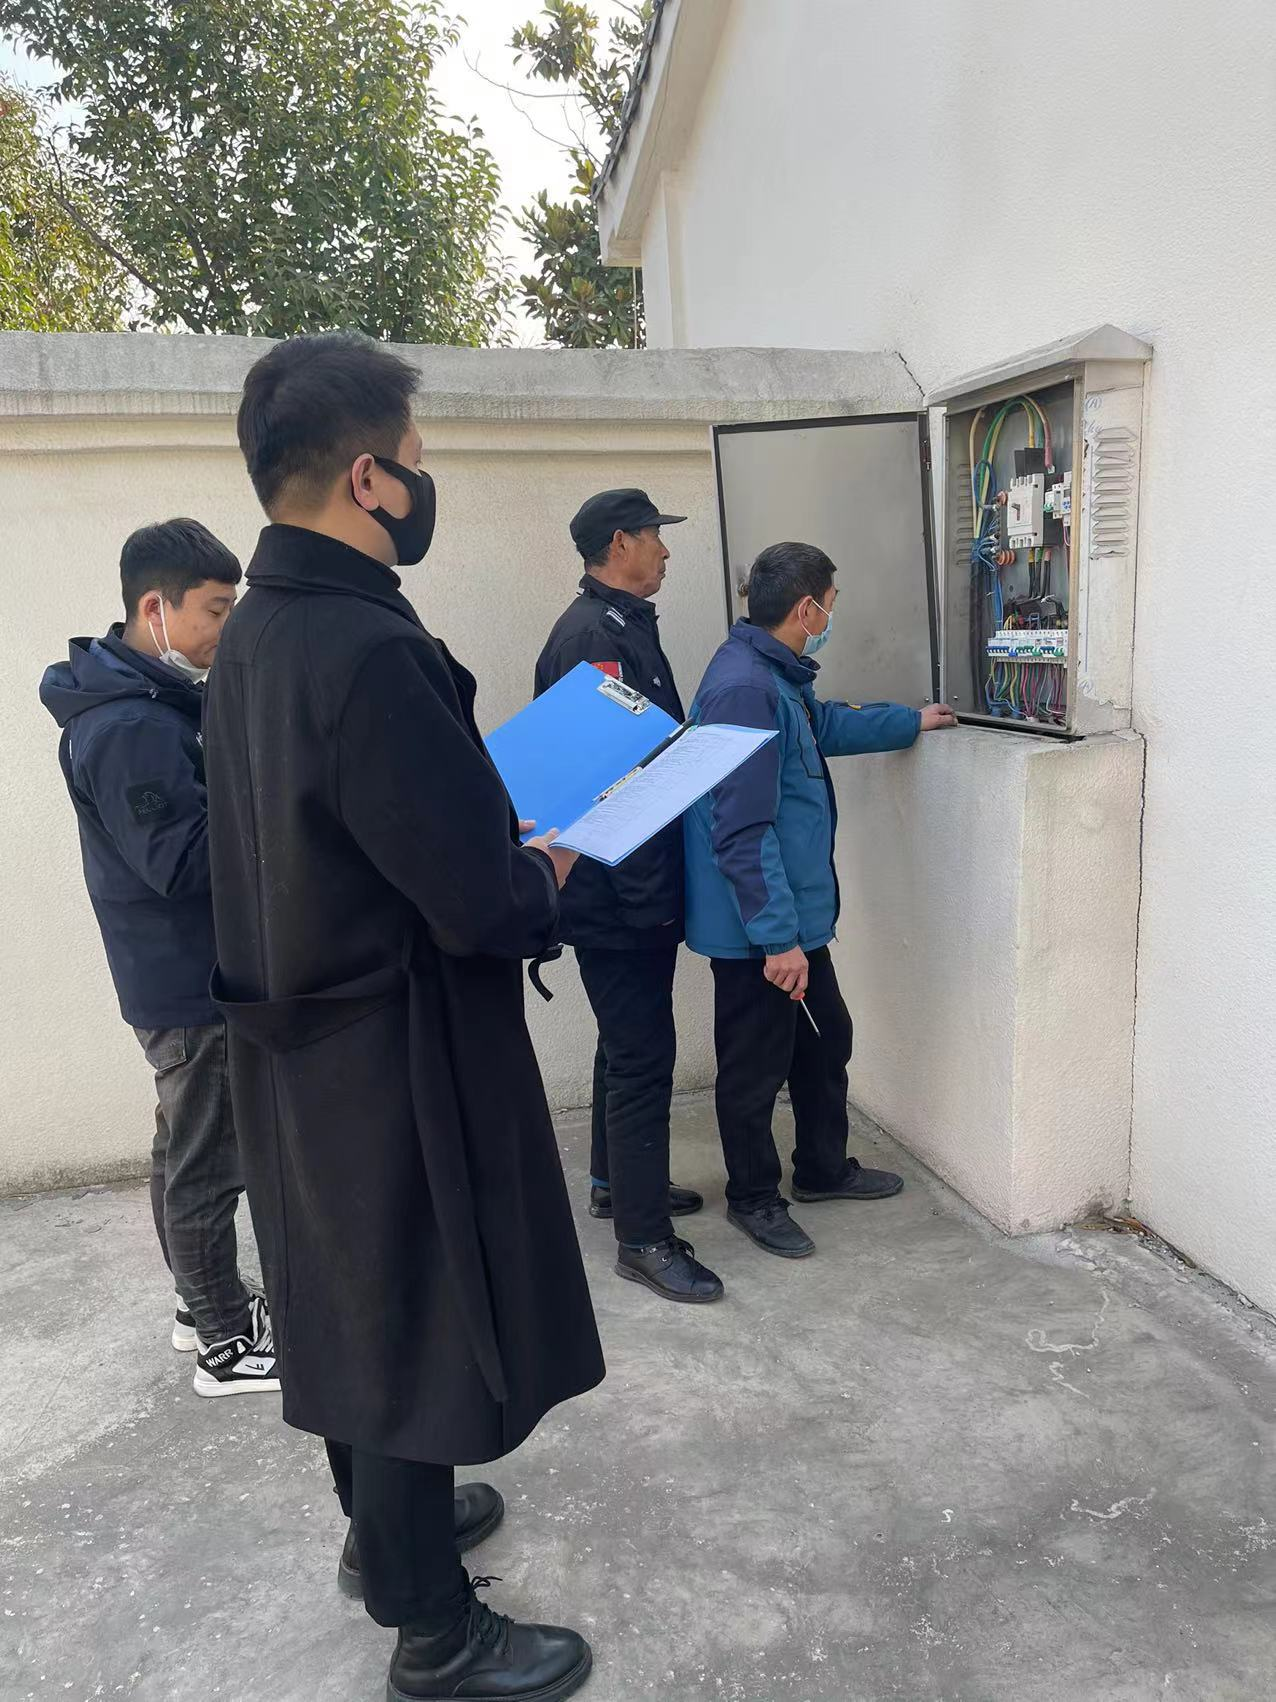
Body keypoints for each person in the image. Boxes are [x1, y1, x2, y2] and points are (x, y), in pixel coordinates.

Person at [203, 332, 604, 1702]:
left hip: (297, 1032)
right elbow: (474, 905)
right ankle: (432, 1629)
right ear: (369, 476)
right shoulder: (366, 647)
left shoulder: (256, 629)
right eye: (418, 463)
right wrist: (546, 865)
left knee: (348, 1297)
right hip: (393, 1047)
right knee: (413, 1316)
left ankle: (387, 1534)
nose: (425, 486)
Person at [39, 519, 279, 1398]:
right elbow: (178, 862)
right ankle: (225, 1342)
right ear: (156, 609)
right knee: (205, 1166)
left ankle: (196, 1303)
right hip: (188, 980)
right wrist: (277, 809)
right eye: (215, 609)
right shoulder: (129, 726)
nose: (227, 625)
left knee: (183, 1148)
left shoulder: (154, 701)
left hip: (176, 972)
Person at [683, 541, 957, 1259]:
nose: (832, 617)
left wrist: (911, 721)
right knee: (754, 1069)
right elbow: (741, 830)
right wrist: (777, 940)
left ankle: (822, 1169)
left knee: (824, 1038)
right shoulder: (745, 690)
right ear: (805, 608)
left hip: (793, 919)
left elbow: (824, 726)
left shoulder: (775, 675)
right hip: (758, 928)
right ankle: (754, 1197)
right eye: (830, 605)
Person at [534, 491, 722, 1306]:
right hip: (620, 896)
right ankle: (644, 1241)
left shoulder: (620, 626)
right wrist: (650, 902)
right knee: (644, 1056)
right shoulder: (593, 640)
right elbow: (599, 786)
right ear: (620, 543)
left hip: (629, 887)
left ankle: (616, 1185)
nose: (665, 551)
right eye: (655, 537)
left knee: (624, 1045)